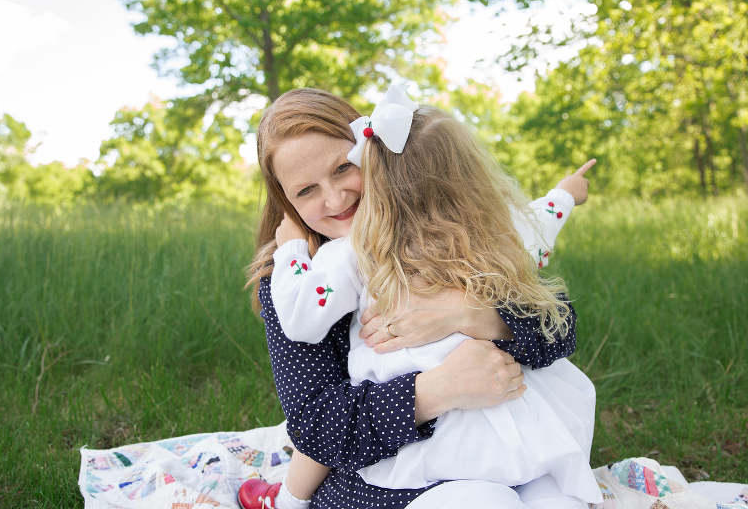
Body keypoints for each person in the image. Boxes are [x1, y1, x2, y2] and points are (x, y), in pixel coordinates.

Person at [244, 87, 594, 509]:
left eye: (342, 168)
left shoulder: (462, 229)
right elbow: (319, 427)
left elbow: (559, 327)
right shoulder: (315, 270)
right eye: (306, 191)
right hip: (396, 471)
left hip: (515, 438)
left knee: (560, 498)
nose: (336, 199)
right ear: (286, 203)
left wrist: (474, 314)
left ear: (373, 155)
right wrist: (437, 390)